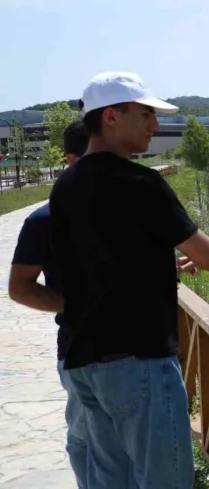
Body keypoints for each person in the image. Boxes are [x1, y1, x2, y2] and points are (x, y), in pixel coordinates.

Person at [49, 71, 209, 488]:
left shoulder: (65, 185)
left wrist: (162, 266)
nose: (154, 126)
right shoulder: (141, 183)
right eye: (145, 114)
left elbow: (103, 261)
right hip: (139, 360)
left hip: (83, 362)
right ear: (110, 117)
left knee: (111, 479)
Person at [9, 121, 93, 487]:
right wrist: (74, 305)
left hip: (142, 355)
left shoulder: (132, 211)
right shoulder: (42, 219)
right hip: (79, 352)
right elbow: (21, 288)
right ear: (72, 160)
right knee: (85, 438)